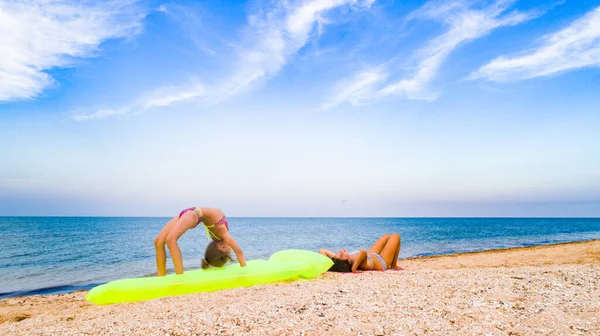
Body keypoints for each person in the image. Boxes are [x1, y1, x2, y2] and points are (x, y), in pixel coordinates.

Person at [154, 207, 246, 276]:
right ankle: (163, 276)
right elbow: (239, 252)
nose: (230, 245)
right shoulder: (224, 234)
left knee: (170, 240)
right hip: (192, 213)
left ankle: (178, 276)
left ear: (222, 247)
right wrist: (245, 271)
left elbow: (238, 252)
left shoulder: (220, 237)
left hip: (193, 214)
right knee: (158, 241)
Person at [318, 233, 402, 272]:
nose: (340, 251)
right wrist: (354, 268)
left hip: (372, 255)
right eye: (340, 255)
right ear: (347, 261)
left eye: (337, 253)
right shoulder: (353, 262)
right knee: (396, 236)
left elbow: (322, 250)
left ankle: (394, 265)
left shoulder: (342, 261)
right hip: (381, 262)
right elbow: (363, 251)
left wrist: (325, 265)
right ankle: (393, 265)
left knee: (386, 236)